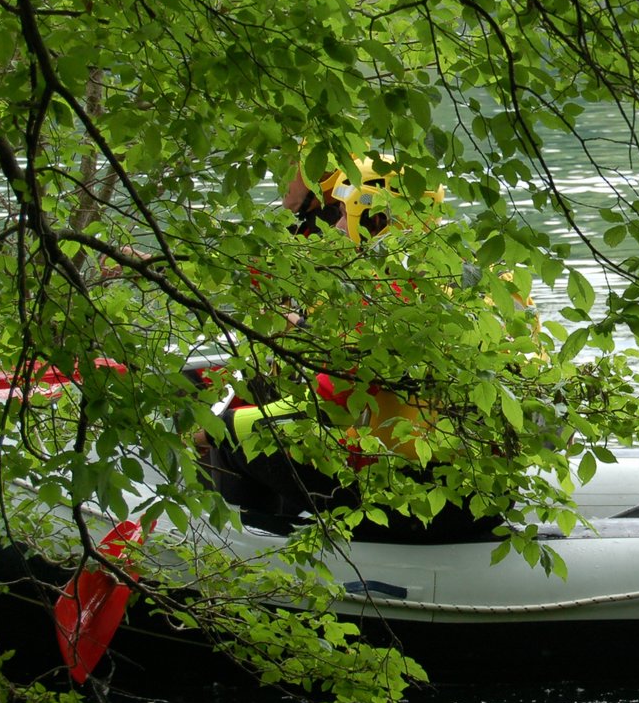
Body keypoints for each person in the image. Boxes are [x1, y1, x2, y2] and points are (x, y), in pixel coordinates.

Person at [200, 158, 497, 540]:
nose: (337, 226)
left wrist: (217, 429)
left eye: (343, 215)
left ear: (375, 219)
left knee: (237, 430)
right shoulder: (473, 276)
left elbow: (330, 397)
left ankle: (246, 544)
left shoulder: (387, 294)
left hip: (418, 496)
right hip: (481, 489)